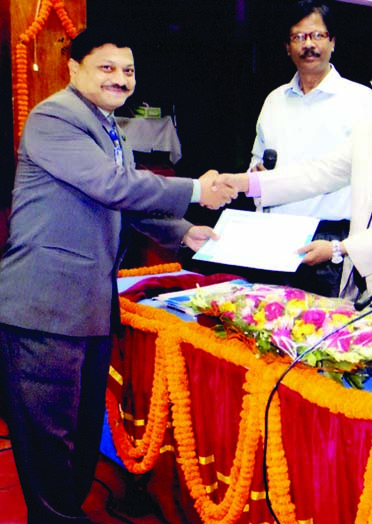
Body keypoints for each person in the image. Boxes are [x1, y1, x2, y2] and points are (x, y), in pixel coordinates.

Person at [0, 28, 235, 522]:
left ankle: (66, 512)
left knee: (81, 432)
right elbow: (111, 184)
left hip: (86, 306)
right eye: (106, 68)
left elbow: (121, 203)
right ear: (74, 70)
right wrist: (195, 189)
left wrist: (184, 232)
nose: (120, 79)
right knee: (49, 439)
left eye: (127, 70)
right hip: (44, 305)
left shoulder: (110, 128)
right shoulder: (54, 118)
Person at [220, 41, 372, 349]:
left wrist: (339, 248)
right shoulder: (371, 130)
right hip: (369, 298)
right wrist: (247, 184)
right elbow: (320, 172)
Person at [246, 0, 372, 296]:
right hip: (275, 235)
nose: (309, 45)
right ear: (287, 46)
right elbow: (257, 158)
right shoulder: (274, 101)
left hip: (329, 238)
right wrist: (255, 172)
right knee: (268, 326)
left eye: (317, 36)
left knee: (324, 332)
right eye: (299, 37)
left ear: (332, 41)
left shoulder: (362, 100)